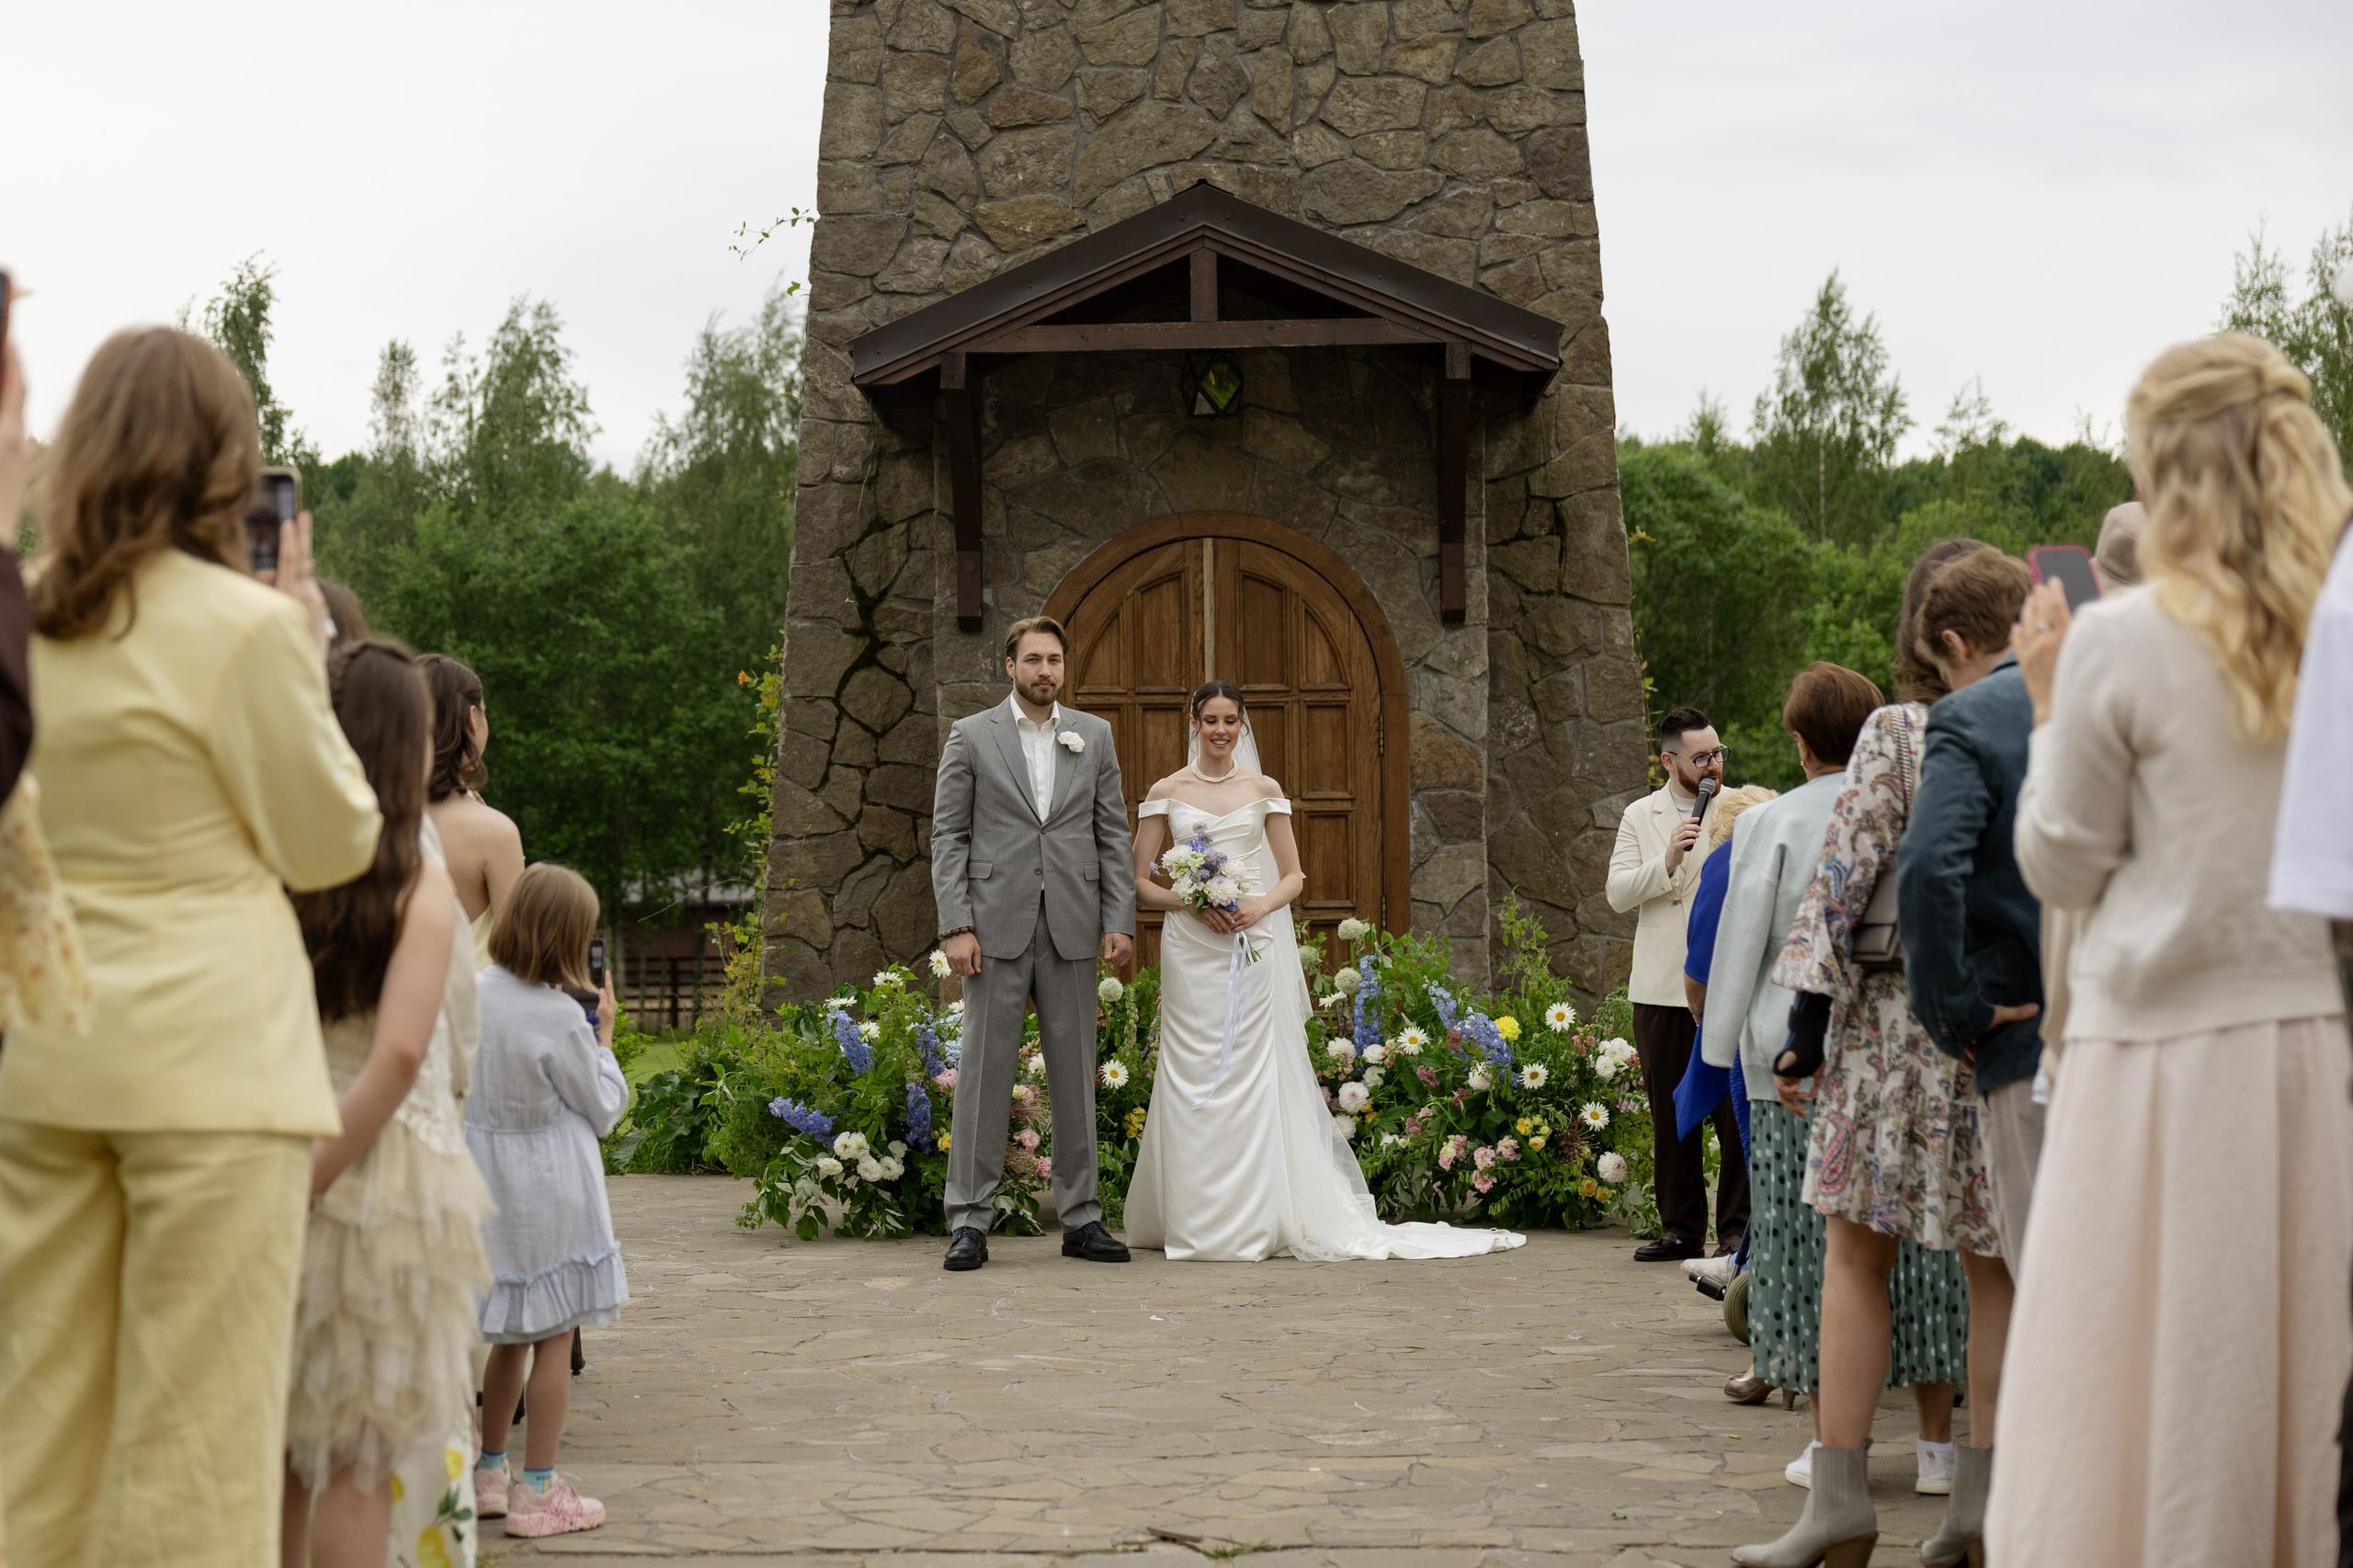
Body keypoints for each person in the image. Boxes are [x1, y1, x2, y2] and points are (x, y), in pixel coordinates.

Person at [0, 328, 381, 1567]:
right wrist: (307, 640)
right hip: (216, 1064)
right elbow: (332, 840)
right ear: (228, 463)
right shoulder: (246, 628)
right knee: (199, 1442)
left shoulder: (28, 619)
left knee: (37, 1427)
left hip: (51, 1050)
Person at [1997, 334, 2351, 1568]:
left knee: (2129, 1375)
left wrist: (2045, 708)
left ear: (2173, 474)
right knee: (2275, 1381)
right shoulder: (2337, 631)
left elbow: (2062, 861)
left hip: (2152, 1055)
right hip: (2305, 1049)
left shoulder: (2121, 639)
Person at [1123, 681, 1527, 1262]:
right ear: (1192, 722)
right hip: (1192, 947)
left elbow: (1293, 876)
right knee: (1189, 1071)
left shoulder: (1264, 790)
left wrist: (1257, 907)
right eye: (1209, 720)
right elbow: (1139, 880)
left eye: (1230, 721)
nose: (1219, 731)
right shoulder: (1167, 791)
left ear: (1243, 724)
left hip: (1250, 938)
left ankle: (1254, 1216)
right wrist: (1190, 903)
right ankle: (1189, 1214)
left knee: (1248, 1071)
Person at [1701, 660, 1965, 1520]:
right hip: (1908, 1052)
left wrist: (1716, 1053)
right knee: (1924, 1252)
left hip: (1793, 1060)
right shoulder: (1920, 804)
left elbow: (1744, 941)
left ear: (1800, 738)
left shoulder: (1770, 821)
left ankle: (1833, 1449)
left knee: (1814, 1256)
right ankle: (1935, 1449)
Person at [282, 640, 492, 1568]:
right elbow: (408, 1048)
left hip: (284, 1138)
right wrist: (321, 1174)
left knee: (284, 1453)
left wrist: (289, 1172)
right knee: (362, 1458)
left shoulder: (281, 858)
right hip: (386, 1178)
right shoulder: (416, 873)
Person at [928, 617, 1136, 1270]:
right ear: (1010, 666)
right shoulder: (971, 736)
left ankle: (1082, 1221)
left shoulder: (1094, 735)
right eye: (1033, 660)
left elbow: (1112, 834)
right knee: (984, 1077)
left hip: (1074, 923)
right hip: (993, 928)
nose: (1045, 671)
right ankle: (969, 1221)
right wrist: (956, 926)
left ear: (1064, 668)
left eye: (1054, 661)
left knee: (1074, 1077)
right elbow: (948, 839)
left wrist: (1119, 918)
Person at [469, 862, 629, 1539]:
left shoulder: (469, 991)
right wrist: (605, 1040)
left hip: (490, 1186)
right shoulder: (563, 1016)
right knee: (554, 1338)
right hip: (552, 1190)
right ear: (568, 938)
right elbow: (601, 1108)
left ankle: (489, 1471)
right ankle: (538, 1493)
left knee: (508, 1336)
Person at [1902, 549, 2045, 1275]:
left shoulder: (1968, 717)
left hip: (2026, 1029)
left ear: (1957, 646)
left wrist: (1954, 1008)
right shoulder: (2115, 689)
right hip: (2145, 1031)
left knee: (2048, 1291)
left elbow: (1928, 866)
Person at [1607, 706, 1749, 1261]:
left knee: (1735, 1113)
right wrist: (1666, 859)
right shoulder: (1640, 815)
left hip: (1725, 981)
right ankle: (1681, 1228)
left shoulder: (1742, 809)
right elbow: (1617, 895)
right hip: (1662, 985)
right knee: (1671, 1112)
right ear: (1669, 761)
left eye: (1718, 753)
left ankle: (1736, 1229)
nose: (1713, 764)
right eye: (1701, 757)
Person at [419, 653, 525, 971]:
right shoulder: (495, 834)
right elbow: (521, 959)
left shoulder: (371, 817)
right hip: (474, 1016)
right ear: (473, 718)